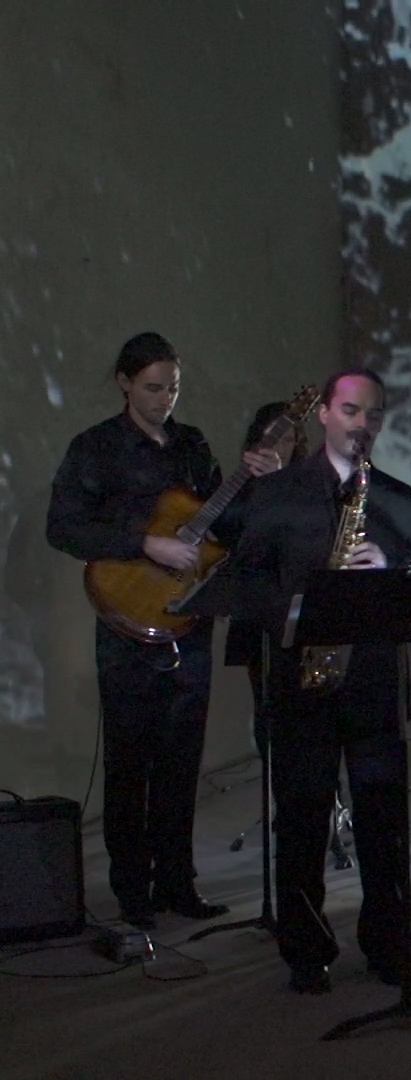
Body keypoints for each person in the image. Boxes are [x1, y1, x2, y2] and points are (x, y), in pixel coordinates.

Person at [45, 332, 282, 930]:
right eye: (153, 388)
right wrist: (144, 543)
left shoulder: (192, 445)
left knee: (182, 761)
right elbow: (63, 527)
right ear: (124, 383)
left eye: (173, 388)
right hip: (125, 623)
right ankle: (132, 891)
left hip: (188, 616)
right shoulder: (95, 448)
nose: (164, 399)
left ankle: (178, 882)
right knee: (130, 762)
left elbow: (226, 528)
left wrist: (258, 480)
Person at [230, 368, 411, 994]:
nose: (361, 424)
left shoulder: (402, 500)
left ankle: (390, 943)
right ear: (323, 413)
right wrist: (298, 609)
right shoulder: (276, 494)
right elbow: (248, 582)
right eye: (350, 410)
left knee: (383, 821)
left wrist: (392, 565)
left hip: (372, 679)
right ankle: (306, 949)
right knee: (300, 820)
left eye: (373, 414)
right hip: (299, 677)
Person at [224, 401, 310, 756]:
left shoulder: (309, 487)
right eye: (271, 438)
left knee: (305, 714)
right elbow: (233, 537)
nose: (279, 448)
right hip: (258, 614)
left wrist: (278, 483)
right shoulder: (239, 490)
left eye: (287, 440)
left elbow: (306, 541)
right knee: (266, 706)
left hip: (300, 613)